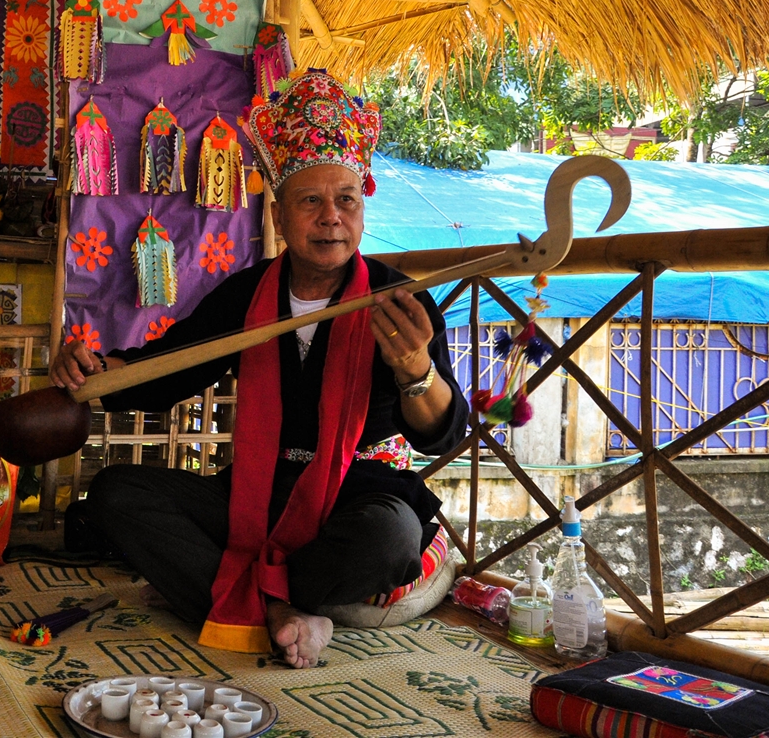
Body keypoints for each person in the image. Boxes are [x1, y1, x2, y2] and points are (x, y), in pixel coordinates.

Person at [53, 72, 467, 669]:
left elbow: (442, 434)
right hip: (256, 492)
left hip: (356, 494)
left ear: (362, 209)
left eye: (346, 200)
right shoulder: (244, 296)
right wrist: (94, 368)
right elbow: (169, 370)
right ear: (278, 213)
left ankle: (238, 596)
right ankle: (284, 609)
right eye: (310, 201)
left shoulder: (399, 300)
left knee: (390, 538)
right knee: (117, 494)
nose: (331, 217)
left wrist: (414, 368)